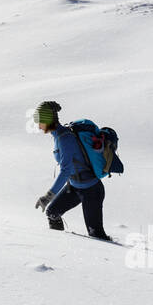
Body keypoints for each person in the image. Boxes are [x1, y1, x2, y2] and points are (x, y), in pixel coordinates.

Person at [32, 100, 110, 240]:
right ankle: (60, 244)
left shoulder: (65, 138)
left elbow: (65, 171)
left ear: (48, 119)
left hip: (91, 190)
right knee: (52, 213)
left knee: (96, 235)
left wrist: (48, 196)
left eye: (40, 121)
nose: (38, 126)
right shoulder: (58, 136)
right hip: (74, 187)